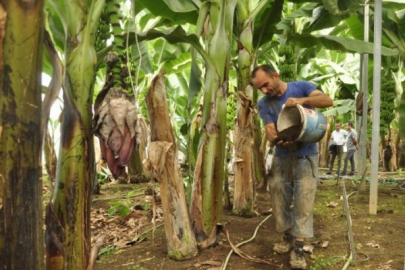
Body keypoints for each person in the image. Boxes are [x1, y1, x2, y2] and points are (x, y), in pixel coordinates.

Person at [251, 64, 333, 269]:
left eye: (266, 85)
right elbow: (270, 129)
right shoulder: (264, 103)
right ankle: (287, 236)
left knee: (303, 202)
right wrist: (278, 139)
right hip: (281, 158)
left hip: (307, 157)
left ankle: (298, 248)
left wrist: (301, 101)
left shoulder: (302, 87)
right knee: (278, 200)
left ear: (276, 76)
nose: (264, 90)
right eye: (259, 88)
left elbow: (327, 100)